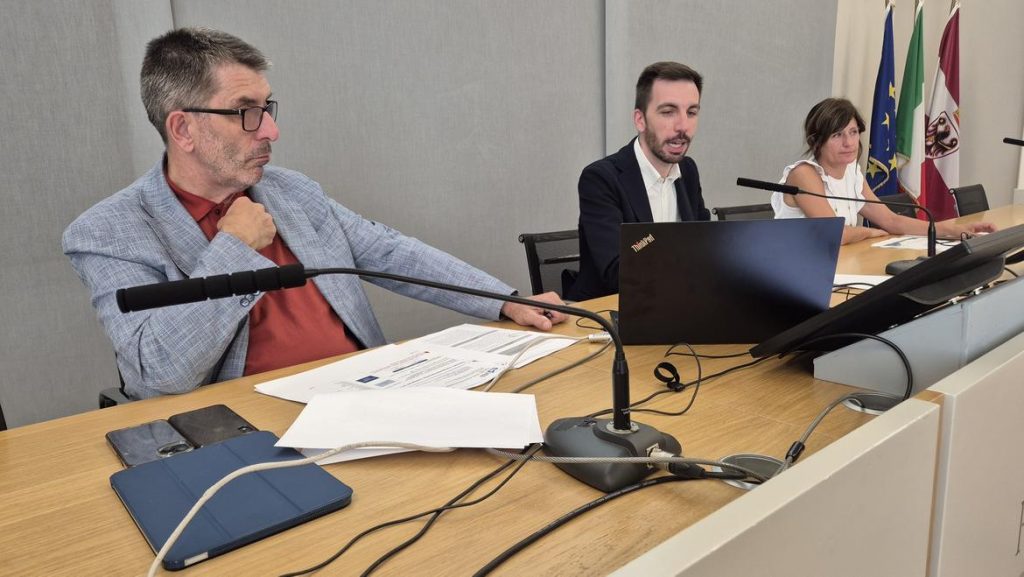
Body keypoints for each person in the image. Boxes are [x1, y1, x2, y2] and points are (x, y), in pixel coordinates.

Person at [62, 28, 566, 399]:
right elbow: (159, 373)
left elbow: (391, 253)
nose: (270, 131)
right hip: (246, 427)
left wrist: (504, 301)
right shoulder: (108, 232)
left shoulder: (291, 192)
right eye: (246, 112)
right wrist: (233, 250)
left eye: (267, 108)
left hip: (369, 394)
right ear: (183, 129)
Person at [570, 61, 710, 302]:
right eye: (668, 112)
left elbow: (706, 247)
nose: (683, 126)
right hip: (612, 312)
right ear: (640, 120)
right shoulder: (601, 179)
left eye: (691, 112)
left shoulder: (688, 171)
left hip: (675, 305)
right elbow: (618, 272)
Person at [772, 97, 994, 244]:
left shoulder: (851, 172)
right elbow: (835, 234)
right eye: (837, 135)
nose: (848, 143)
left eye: (853, 132)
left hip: (834, 263)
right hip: (792, 270)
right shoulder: (804, 174)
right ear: (816, 141)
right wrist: (868, 232)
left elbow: (890, 220)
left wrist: (950, 230)